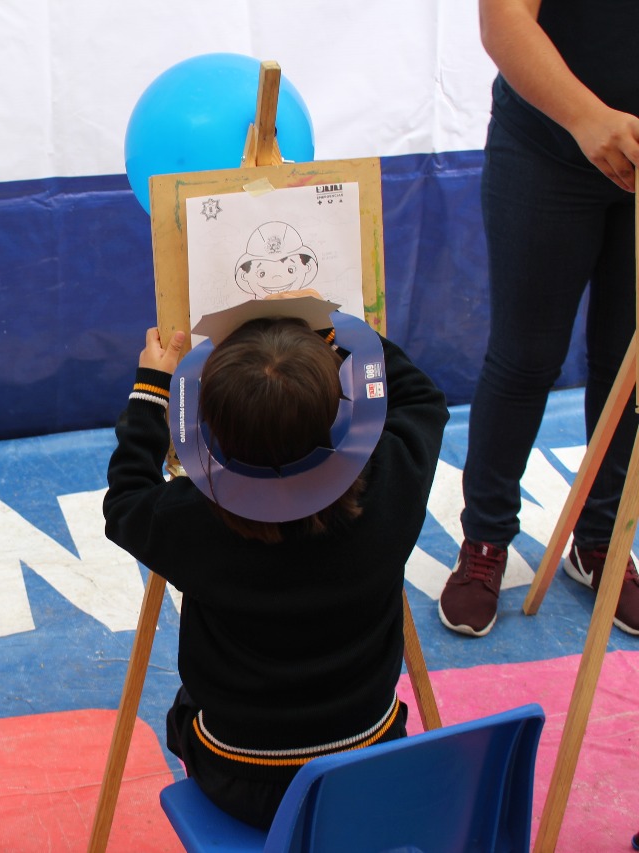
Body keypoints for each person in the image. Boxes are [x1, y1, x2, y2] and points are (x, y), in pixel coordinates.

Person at [103, 299, 448, 829]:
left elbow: (125, 499)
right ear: (343, 416)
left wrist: (152, 389)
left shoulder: (189, 520)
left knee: (186, 709)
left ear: (209, 431)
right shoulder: (390, 485)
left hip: (239, 778)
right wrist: (336, 331)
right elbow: (420, 397)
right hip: (367, 762)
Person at [438, 0, 639, 637]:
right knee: (524, 358)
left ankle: (601, 540)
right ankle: (485, 540)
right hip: (547, 151)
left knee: (629, 365)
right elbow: (504, 19)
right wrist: (587, 118)